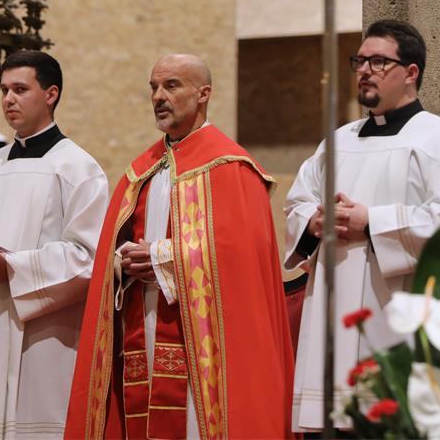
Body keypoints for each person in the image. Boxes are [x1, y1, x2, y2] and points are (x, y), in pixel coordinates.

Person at [64, 54, 294, 439]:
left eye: (171, 85)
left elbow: (241, 258)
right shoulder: (142, 172)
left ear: (203, 94)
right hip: (144, 328)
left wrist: (159, 257)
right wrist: (121, 262)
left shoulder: (231, 168)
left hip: (204, 346)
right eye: (154, 87)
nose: (158, 96)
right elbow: (113, 248)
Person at [284, 19, 440, 433]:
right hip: (335, 318)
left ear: (411, 72)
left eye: (378, 62)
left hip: (402, 316)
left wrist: (372, 222)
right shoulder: (336, 143)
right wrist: (313, 221)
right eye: (360, 61)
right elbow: (297, 203)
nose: (364, 71)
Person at [0, 50, 109, 439]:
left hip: (45, 341)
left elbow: (89, 259)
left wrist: (11, 268)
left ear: (51, 94)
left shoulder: (78, 168)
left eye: (20, 89)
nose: (8, 100)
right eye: (4, 90)